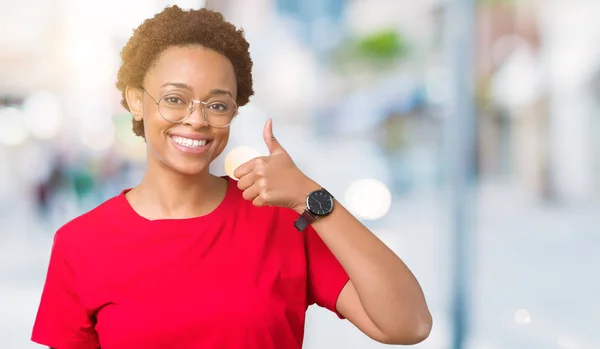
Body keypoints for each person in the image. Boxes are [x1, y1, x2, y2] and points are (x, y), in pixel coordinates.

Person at [31, 6, 432, 349]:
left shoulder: (284, 222)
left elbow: (409, 324)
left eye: (218, 104)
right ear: (137, 101)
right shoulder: (80, 244)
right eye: (174, 99)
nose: (197, 119)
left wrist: (312, 196)